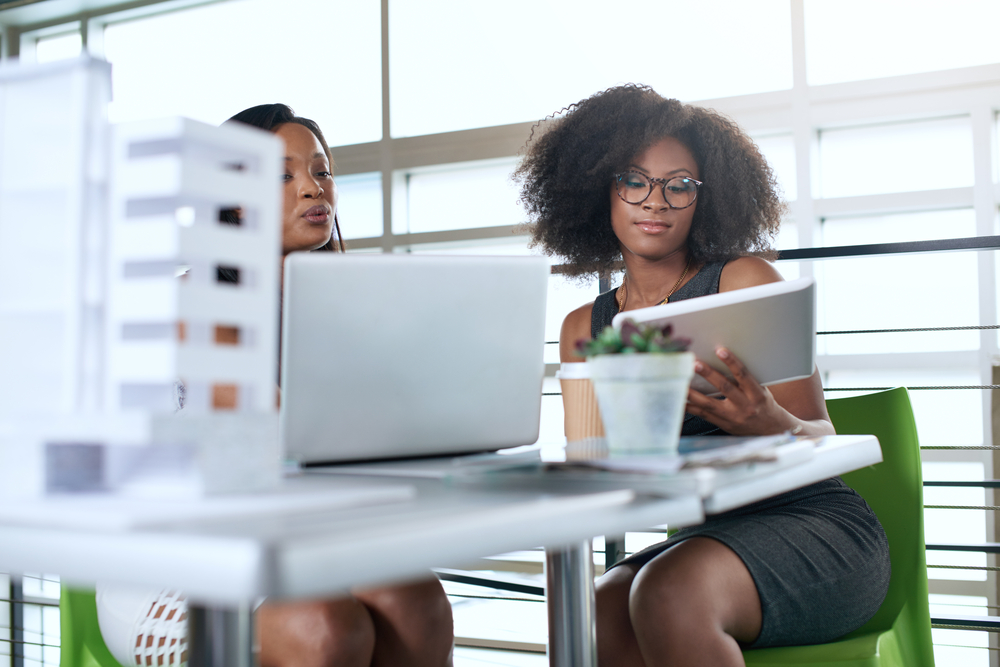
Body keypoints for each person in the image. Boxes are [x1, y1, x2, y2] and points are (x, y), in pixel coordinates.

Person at [515, 85, 890, 667]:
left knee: (668, 592)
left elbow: (822, 435)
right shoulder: (584, 328)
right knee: (597, 607)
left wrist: (772, 423)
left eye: (679, 184)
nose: (655, 201)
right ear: (601, 190)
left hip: (815, 528)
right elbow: (596, 461)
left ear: (703, 196)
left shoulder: (744, 281)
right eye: (633, 180)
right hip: (702, 537)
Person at [96, 104, 454, 667]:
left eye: (321, 170)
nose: (313, 189)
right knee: (323, 628)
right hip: (175, 562)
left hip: (295, 543)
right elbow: (272, 443)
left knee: (417, 600)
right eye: (283, 175)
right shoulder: (189, 304)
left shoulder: (342, 311)